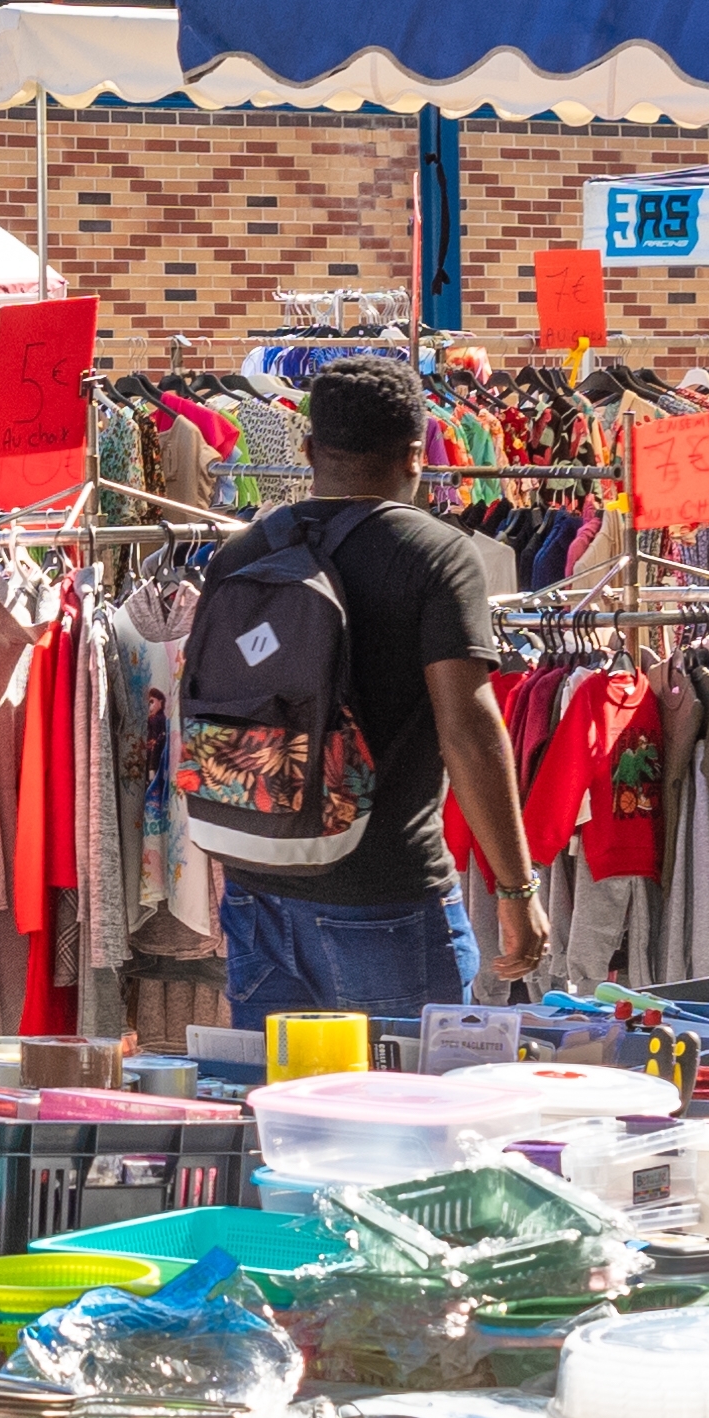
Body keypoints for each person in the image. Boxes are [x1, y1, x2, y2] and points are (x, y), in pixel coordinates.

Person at [184, 356, 539, 1037]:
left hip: (257, 883)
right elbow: (468, 725)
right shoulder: (436, 554)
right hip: (389, 892)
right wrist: (517, 890)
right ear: (417, 455)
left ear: (310, 448)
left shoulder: (241, 554)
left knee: (281, 1116)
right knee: (413, 1117)